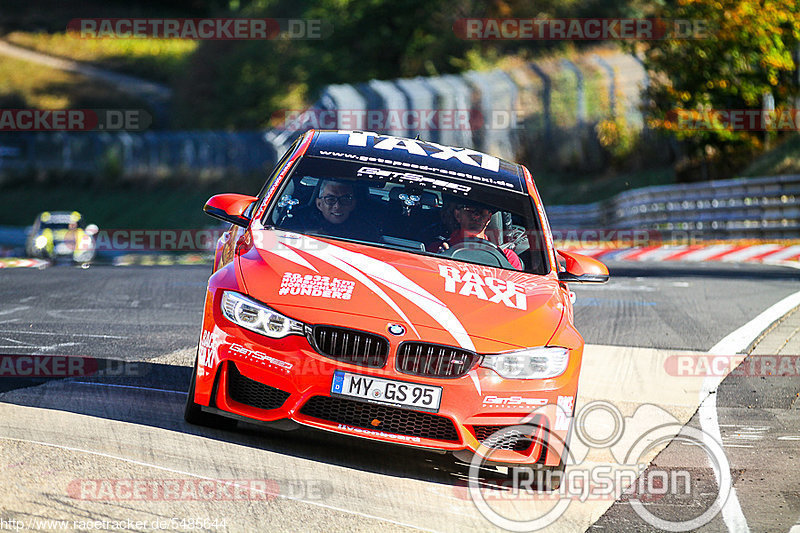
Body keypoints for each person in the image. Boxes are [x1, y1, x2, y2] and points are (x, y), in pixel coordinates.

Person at [431, 200, 522, 270]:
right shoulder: (435, 250)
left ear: (489, 218)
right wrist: (438, 261)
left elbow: (518, 290)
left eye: (482, 211)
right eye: (470, 209)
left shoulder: (508, 258)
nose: (476, 216)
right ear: (457, 215)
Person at [284, 179, 380, 241]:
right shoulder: (296, 222)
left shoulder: (367, 232)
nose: (337, 206)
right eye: (330, 199)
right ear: (319, 204)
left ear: (352, 204)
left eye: (345, 199)